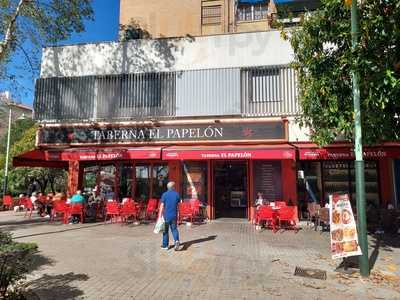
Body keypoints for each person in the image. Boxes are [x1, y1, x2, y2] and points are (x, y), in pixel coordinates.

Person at [158, 181, 181, 251]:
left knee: (165, 231)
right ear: (173, 187)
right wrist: (178, 214)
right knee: (174, 229)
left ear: (168, 187)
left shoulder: (164, 194)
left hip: (166, 216)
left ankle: (165, 245)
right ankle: (176, 240)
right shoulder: (177, 194)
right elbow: (178, 206)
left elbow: (162, 206)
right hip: (174, 215)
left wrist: (159, 215)